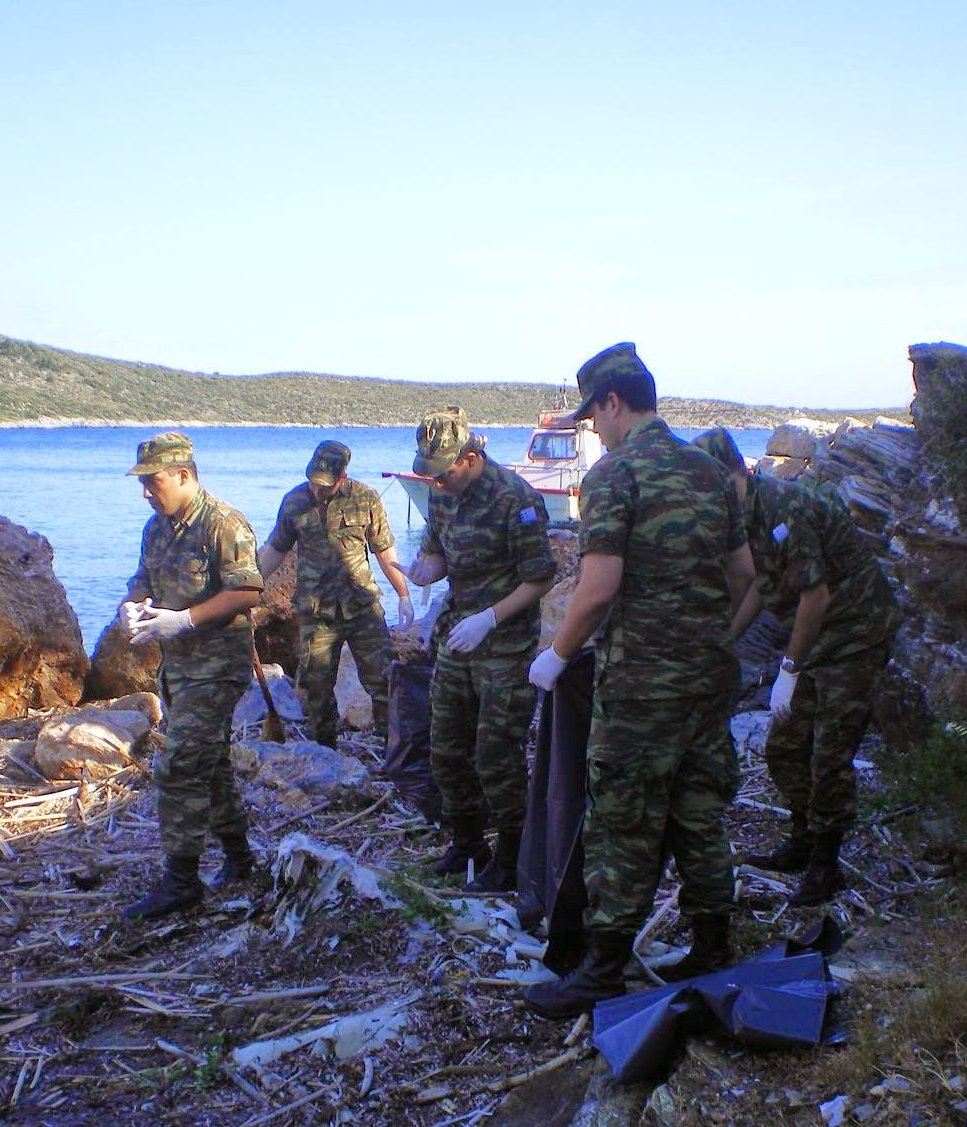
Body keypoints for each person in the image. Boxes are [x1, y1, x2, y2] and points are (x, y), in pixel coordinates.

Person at [523, 344, 755, 1018]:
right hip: (709, 679)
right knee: (699, 811)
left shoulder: (615, 477)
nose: (594, 429)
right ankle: (714, 947)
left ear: (612, 403)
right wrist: (712, 643)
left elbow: (597, 590)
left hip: (640, 688)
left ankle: (601, 969)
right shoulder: (711, 473)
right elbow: (744, 577)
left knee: (622, 822)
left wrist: (557, 656)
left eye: (593, 418)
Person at [692, 426, 900, 907]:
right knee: (784, 745)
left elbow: (815, 596)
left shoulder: (785, 507)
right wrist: (728, 640)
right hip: (819, 637)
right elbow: (765, 584)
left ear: (737, 473)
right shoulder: (742, 515)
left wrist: (789, 668)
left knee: (829, 752)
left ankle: (826, 864)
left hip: (855, 632)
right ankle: (803, 839)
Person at [404, 407, 555, 893]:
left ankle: (513, 857)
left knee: (496, 753)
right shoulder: (442, 493)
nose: (437, 482)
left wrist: (490, 618)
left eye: (444, 472)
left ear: (471, 458)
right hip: (457, 633)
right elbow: (439, 553)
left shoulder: (516, 499)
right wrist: (426, 570)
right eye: (431, 473)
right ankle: (468, 843)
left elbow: (539, 577)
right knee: (446, 747)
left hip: (504, 643)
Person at [118, 431, 264, 921]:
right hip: (177, 669)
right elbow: (143, 576)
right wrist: (133, 606)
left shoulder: (223, 523)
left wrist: (185, 619)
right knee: (210, 762)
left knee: (178, 766)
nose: (145, 493)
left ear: (183, 475)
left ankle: (182, 882)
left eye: (152, 482)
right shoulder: (156, 528)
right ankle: (241, 859)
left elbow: (247, 591)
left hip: (218, 668)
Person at [259, 440, 414, 746]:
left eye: (325, 485)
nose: (317, 490)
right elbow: (275, 550)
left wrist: (404, 594)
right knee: (316, 687)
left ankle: (394, 750)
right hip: (316, 612)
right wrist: (247, 587)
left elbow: (384, 551)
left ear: (342, 475)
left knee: (383, 679)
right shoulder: (294, 502)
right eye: (313, 482)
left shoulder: (365, 498)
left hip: (362, 607)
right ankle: (323, 751)